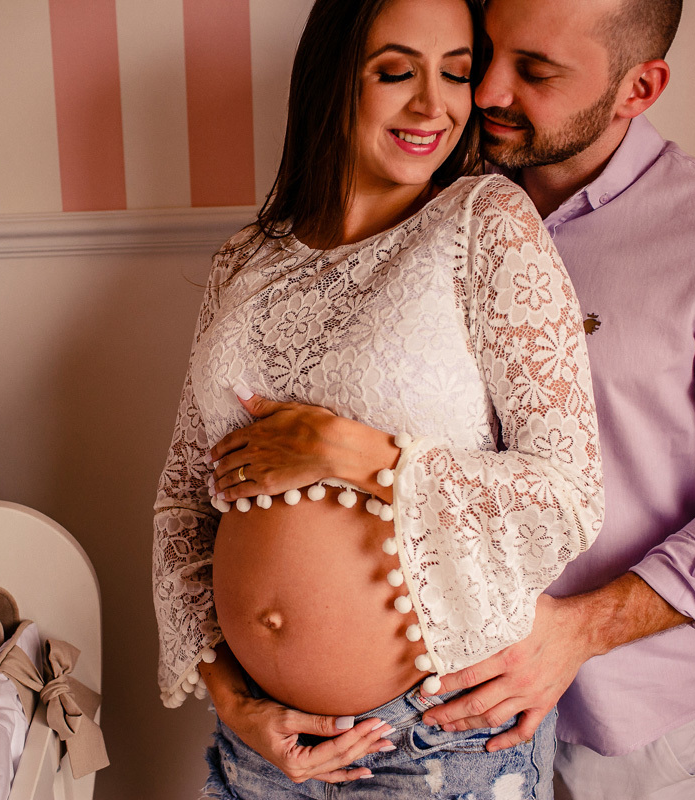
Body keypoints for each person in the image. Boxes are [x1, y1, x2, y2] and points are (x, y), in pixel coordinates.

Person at [152, 0, 604, 796]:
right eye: (397, 72)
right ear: (335, 80)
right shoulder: (245, 260)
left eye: (456, 74)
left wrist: (359, 456)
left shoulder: (486, 222)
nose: (434, 104)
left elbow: (566, 497)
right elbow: (185, 503)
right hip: (263, 741)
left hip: (434, 738)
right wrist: (234, 702)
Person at [415, 1, 695, 798]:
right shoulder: (430, 204)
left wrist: (578, 632)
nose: (486, 91)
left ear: (638, 88)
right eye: (486, 54)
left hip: (629, 736)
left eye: (536, 71)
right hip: (436, 716)